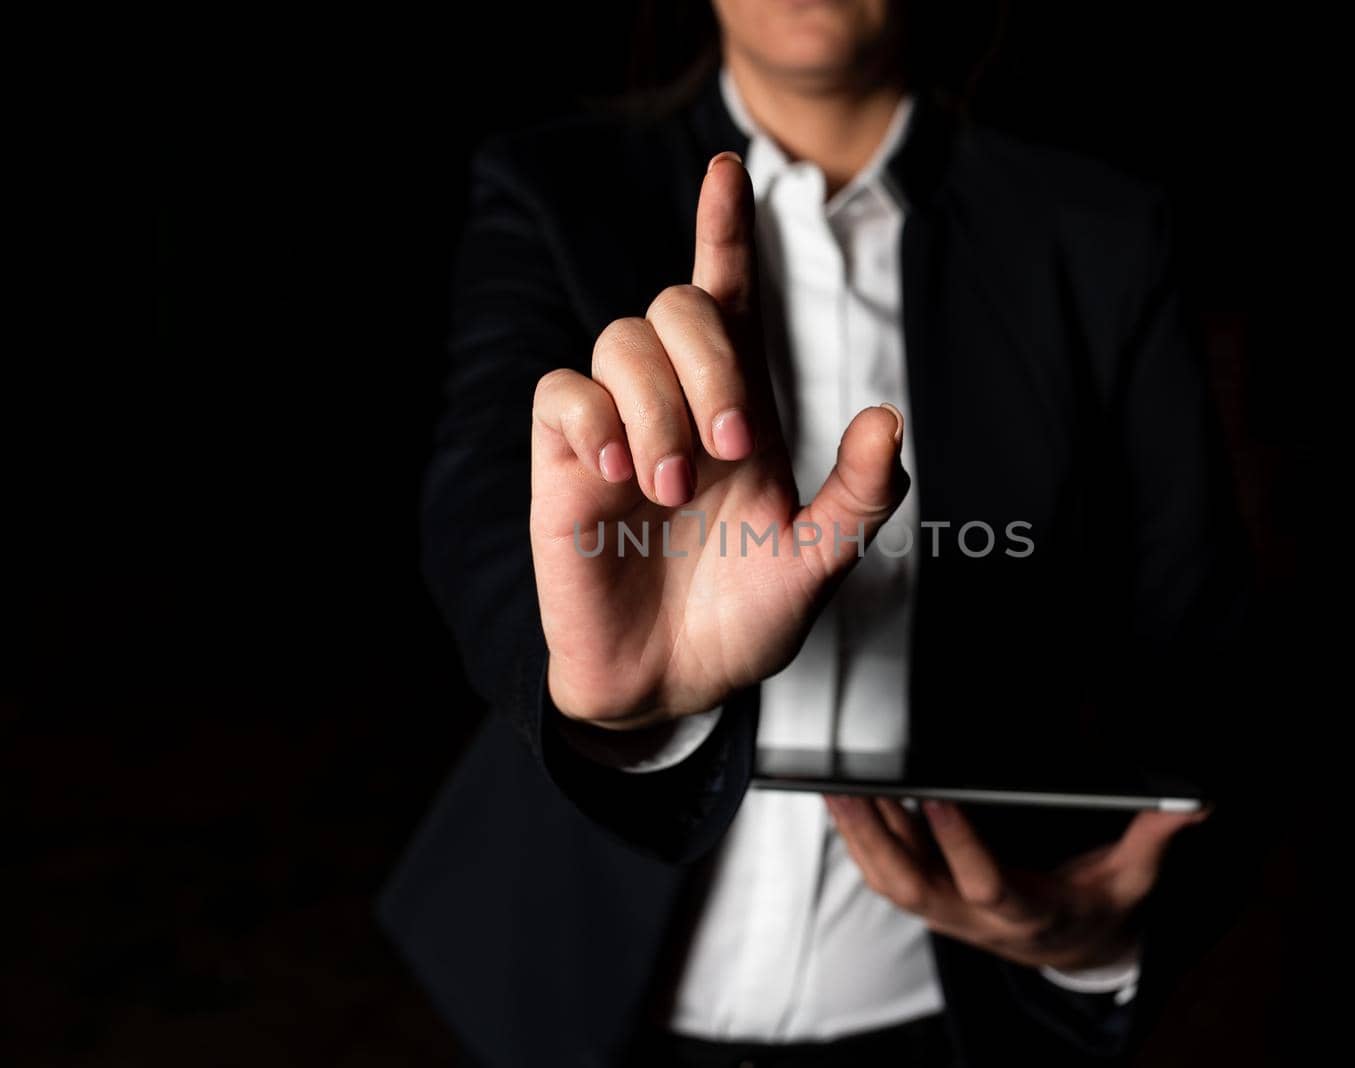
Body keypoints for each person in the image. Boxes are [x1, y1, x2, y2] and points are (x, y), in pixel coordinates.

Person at [380, 2, 1251, 1064]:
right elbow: (473, 512)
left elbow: (1191, 634)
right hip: (583, 989)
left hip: (955, 1009)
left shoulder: (1097, 229)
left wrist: (1095, 937)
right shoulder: (553, 183)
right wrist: (609, 700)